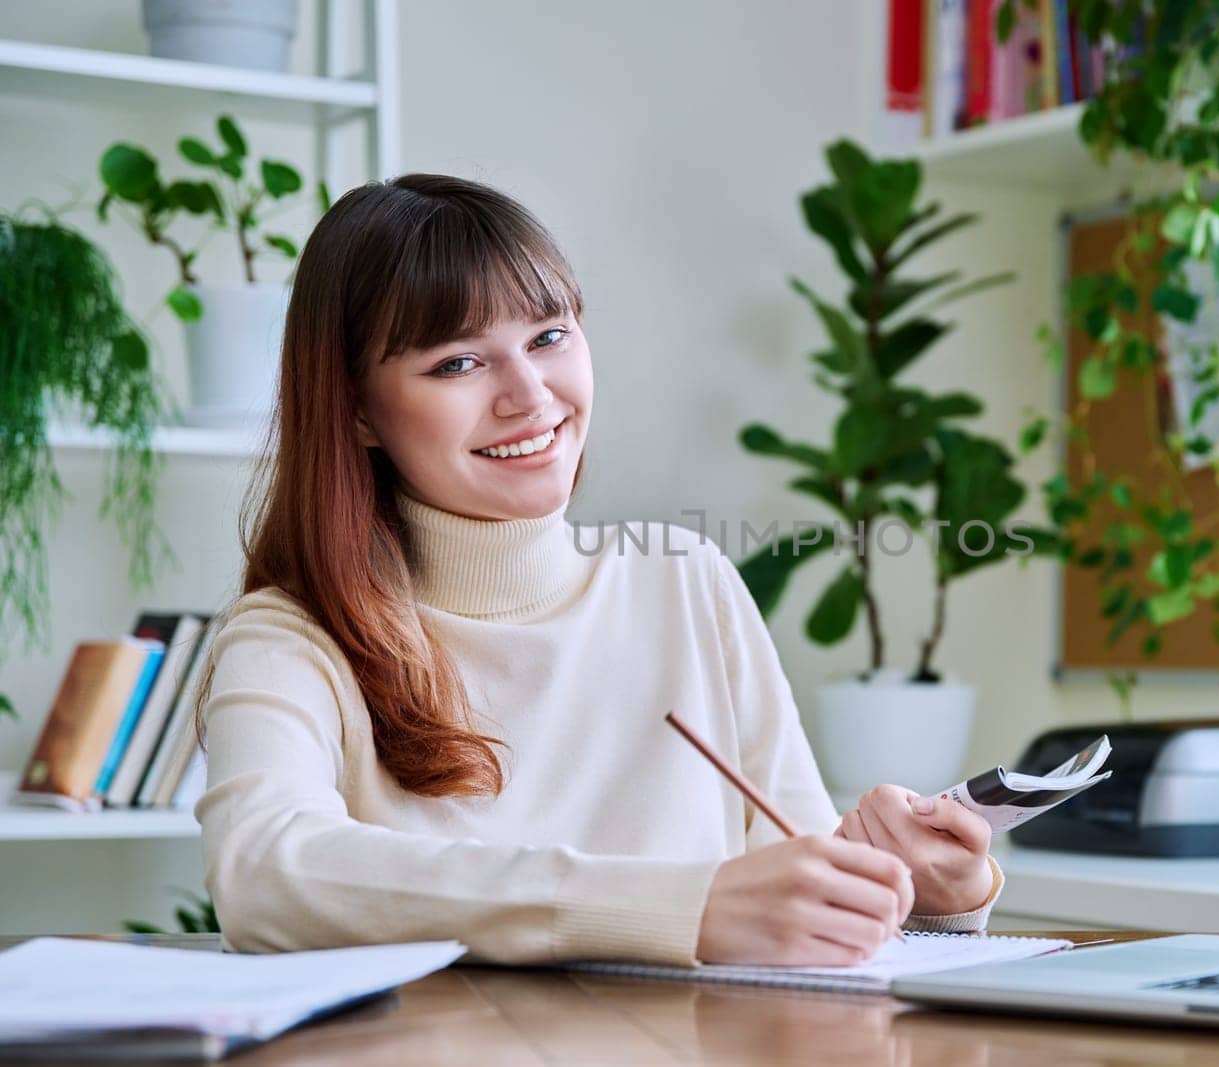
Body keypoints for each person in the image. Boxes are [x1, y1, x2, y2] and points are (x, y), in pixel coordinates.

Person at [193, 173, 1004, 967]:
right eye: (457, 363)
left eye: (549, 337)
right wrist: (682, 910)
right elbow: (262, 870)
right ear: (359, 409)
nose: (529, 394)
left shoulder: (685, 579)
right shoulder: (292, 634)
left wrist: (927, 889)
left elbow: (797, 871)